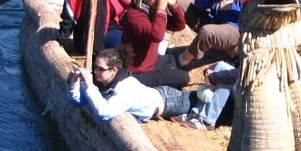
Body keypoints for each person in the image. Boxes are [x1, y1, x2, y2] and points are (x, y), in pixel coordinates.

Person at [68, 48, 205, 124]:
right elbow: (77, 101)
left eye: (100, 69)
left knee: (203, 101)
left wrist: (90, 86)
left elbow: (104, 114)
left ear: (114, 70)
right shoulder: (103, 81)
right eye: (95, 67)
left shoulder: (124, 89)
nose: (96, 72)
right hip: (155, 93)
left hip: (168, 100)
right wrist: (73, 82)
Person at [120, 0, 190, 87]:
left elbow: (179, 25)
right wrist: (161, 10)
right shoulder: (134, 16)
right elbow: (157, 35)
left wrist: (173, 5)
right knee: (184, 78)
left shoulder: (150, 11)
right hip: (137, 73)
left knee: (170, 59)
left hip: (150, 63)